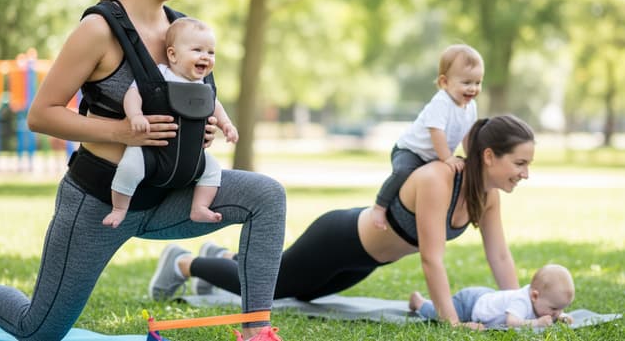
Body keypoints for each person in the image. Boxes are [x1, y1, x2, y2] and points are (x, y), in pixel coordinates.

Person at [0, 0, 285, 341]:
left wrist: (203, 132)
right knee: (39, 331)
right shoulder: (99, 30)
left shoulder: (185, 32)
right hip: (99, 201)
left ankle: (257, 332)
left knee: (267, 196)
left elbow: (195, 103)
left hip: (169, 197)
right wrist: (122, 133)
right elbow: (42, 113)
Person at [149, 114, 534, 330]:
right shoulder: (439, 179)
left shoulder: (487, 197)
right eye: (519, 163)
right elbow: (431, 259)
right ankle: (183, 262)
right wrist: (451, 323)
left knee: (301, 295)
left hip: (365, 261)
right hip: (339, 239)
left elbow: (499, 255)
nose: (525, 173)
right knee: (277, 288)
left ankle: (223, 257)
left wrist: (521, 306)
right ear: (488, 156)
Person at [103, 17, 239, 228]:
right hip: (152, 152)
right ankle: (119, 208)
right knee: (129, 167)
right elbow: (134, 93)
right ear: (173, 55)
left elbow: (214, 104)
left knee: (213, 169)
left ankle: (199, 207)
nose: (206, 56)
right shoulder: (161, 75)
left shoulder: (203, 85)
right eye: (197, 50)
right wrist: (136, 116)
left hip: (190, 156)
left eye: (211, 52)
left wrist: (226, 125)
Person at [371, 44, 483, 230]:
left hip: (434, 157)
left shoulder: (470, 106)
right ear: (444, 82)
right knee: (403, 172)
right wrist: (447, 158)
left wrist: (471, 156)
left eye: (478, 83)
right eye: (466, 83)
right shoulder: (441, 102)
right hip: (411, 151)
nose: (473, 88)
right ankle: (379, 206)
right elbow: (436, 132)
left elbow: (468, 134)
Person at [409, 264, 575, 330]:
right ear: (534, 296)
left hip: (485, 297)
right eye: (554, 309)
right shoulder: (522, 301)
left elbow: (552, 312)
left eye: (562, 309)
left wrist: (561, 317)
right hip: (469, 304)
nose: (556, 313)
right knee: (439, 313)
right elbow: (512, 322)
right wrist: (536, 323)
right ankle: (419, 301)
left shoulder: (542, 302)